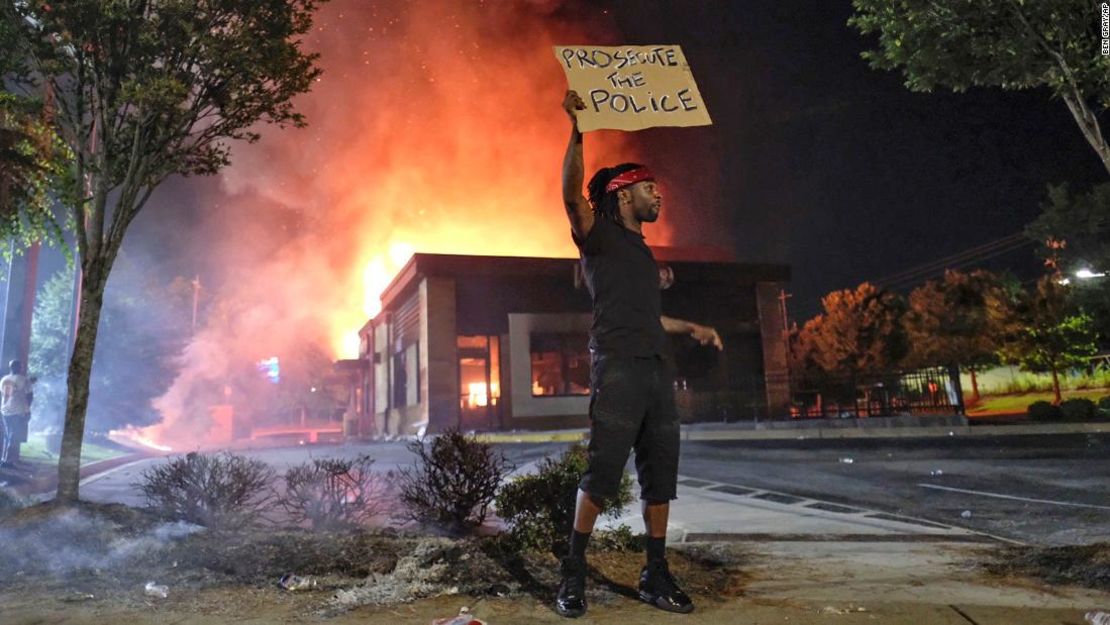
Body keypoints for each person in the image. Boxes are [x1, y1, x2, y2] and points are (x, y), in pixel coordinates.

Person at [555, 90, 724, 618]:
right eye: (651, 188)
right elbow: (570, 197)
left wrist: (690, 327)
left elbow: (647, 317)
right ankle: (574, 572)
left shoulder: (645, 255)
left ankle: (655, 572)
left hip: (655, 369)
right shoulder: (598, 236)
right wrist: (578, 128)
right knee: (602, 473)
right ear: (625, 193)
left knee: (660, 477)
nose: (659, 197)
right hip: (618, 367)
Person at [0, 359, 33, 468]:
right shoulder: (24, 380)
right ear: (19, 367)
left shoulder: (4, 379)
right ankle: (8, 461)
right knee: (14, 436)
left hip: (5, 410)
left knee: (8, 435)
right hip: (18, 411)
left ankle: (6, 458)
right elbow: (29, 396)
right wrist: (27, 410)